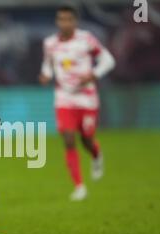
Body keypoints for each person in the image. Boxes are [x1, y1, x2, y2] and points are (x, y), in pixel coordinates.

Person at [39, 5, 115, 201]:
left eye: (68, 19)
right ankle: (79, 186)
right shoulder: (50, 43)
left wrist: (93, 74)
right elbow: (48, 66)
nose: (65, 23)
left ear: (75, 21)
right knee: (69, 139)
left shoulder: (86, 39)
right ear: (57, 21)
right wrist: (46, 76)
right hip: (64, 98)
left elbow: (108, 60)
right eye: (61, 19)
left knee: (87, 139)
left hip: (87, 98)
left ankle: (96, 155)